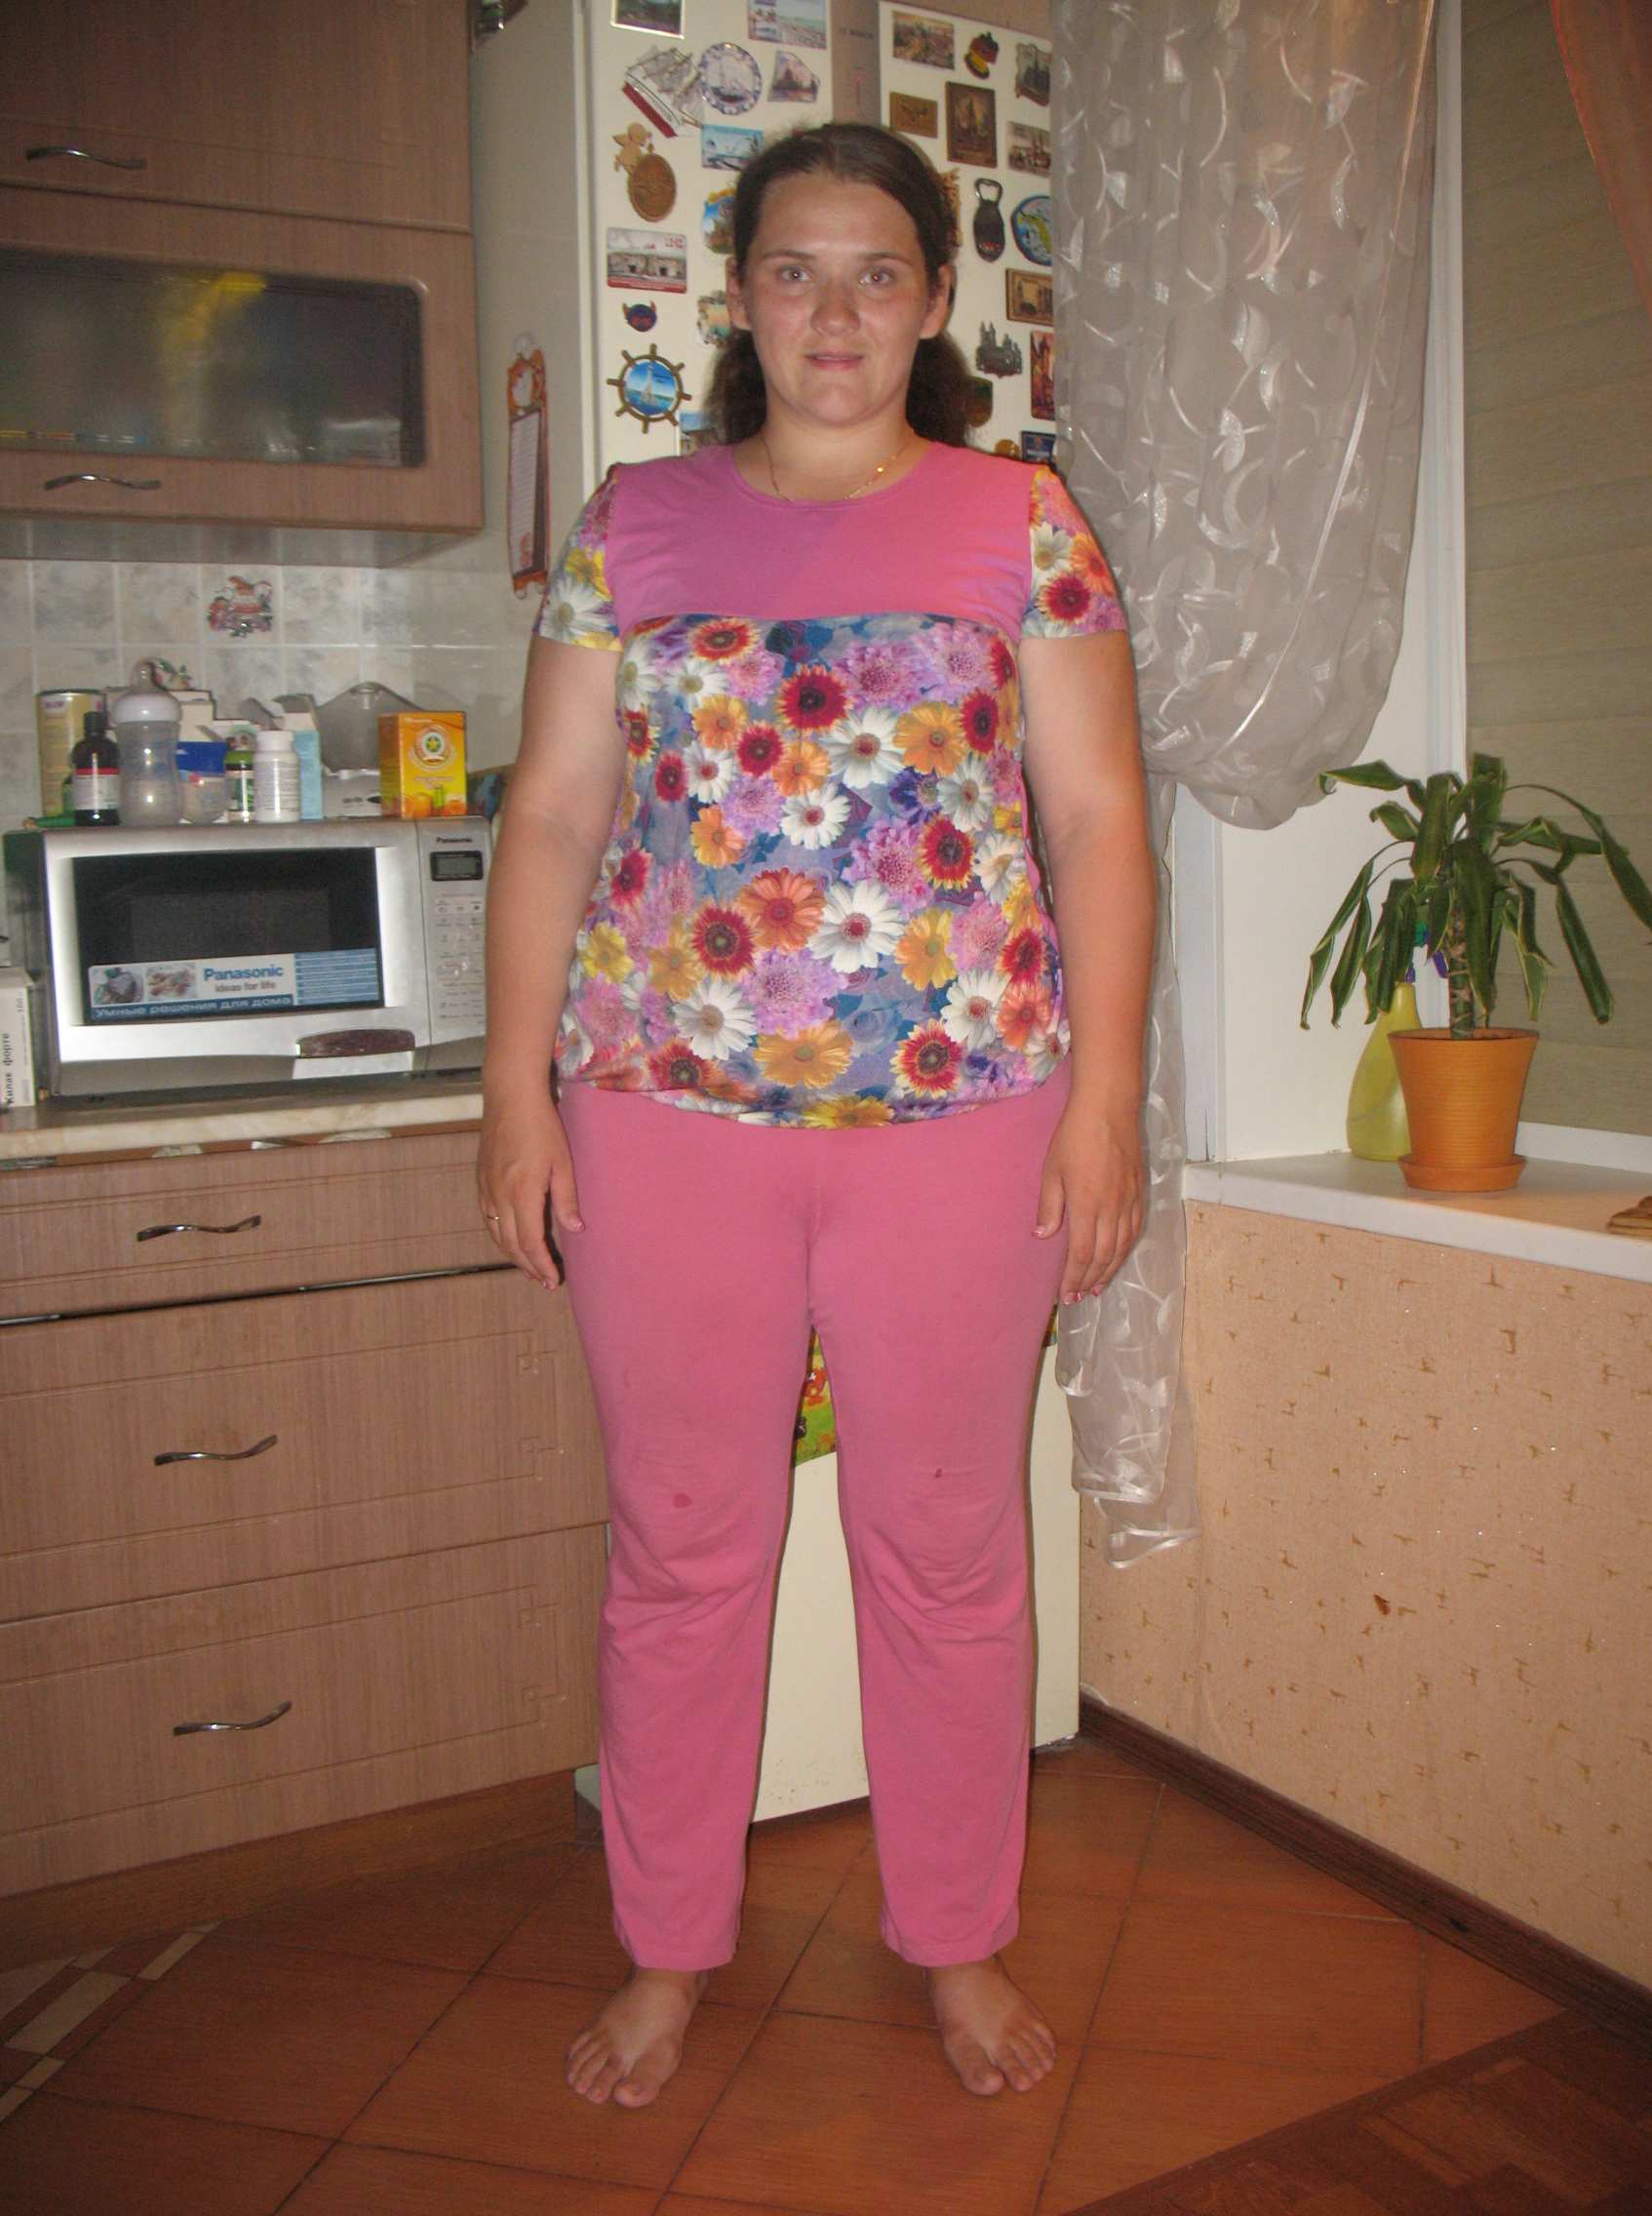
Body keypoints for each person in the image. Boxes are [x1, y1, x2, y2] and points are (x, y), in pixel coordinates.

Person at [478, 122, 1154, 2110]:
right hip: (663, 1112)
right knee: (683, 1544)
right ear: (743, 295)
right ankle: (667, 1949)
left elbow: (1098, 819)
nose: (835, 310)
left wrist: (1109, 1100)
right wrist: (512, 1091)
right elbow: (552, 813)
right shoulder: (634, 524)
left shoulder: (1023, 521)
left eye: (877, 272)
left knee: (944, 1544)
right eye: (795, 268)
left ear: (934, 302)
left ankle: (957, 1935)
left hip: (968, 1117)